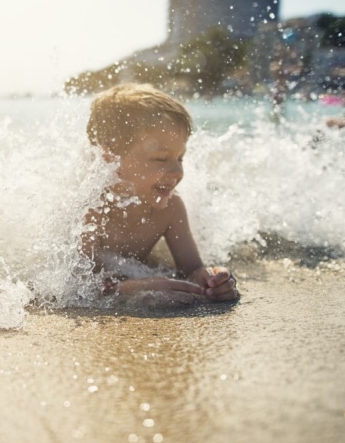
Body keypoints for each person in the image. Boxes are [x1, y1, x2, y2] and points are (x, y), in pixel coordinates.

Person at [82, 83, 239, 306]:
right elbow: (76, 287)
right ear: (109, 157)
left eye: (180, 158)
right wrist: (139, 287)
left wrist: (212, 279)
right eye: (160, 159)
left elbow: (192, 269)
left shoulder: (171, 209)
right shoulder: (89, 210)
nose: (178, 172)